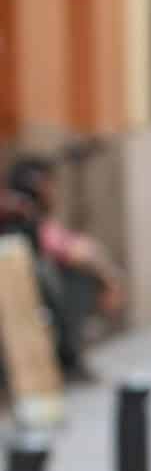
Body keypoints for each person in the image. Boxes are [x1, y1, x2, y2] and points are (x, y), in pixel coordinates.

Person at [5, 156, 126, 384]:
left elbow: (78, 248)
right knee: (76, 280)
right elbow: (73, 252)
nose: (54, 192)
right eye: (49, 185)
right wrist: (109, 280)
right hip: (28, 299)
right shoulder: (21, 213)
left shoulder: (31, 216)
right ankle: (68, 358)